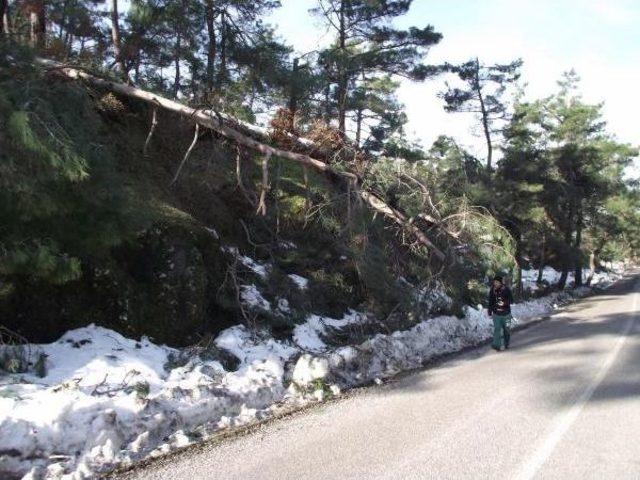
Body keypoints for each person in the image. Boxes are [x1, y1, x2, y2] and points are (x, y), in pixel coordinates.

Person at [488, 275, 513, 351]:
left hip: (507, 314)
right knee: (497, 329)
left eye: (497, 282)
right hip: (496, 314)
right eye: (494, 282)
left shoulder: (506, 289)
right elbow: (490, 301)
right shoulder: (492, 290)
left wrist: (504, 303)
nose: (495, 283)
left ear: (501, 282)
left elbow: (511, 300)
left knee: (507, 330)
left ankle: (506, 343)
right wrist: (489, 311)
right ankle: (496, 345)